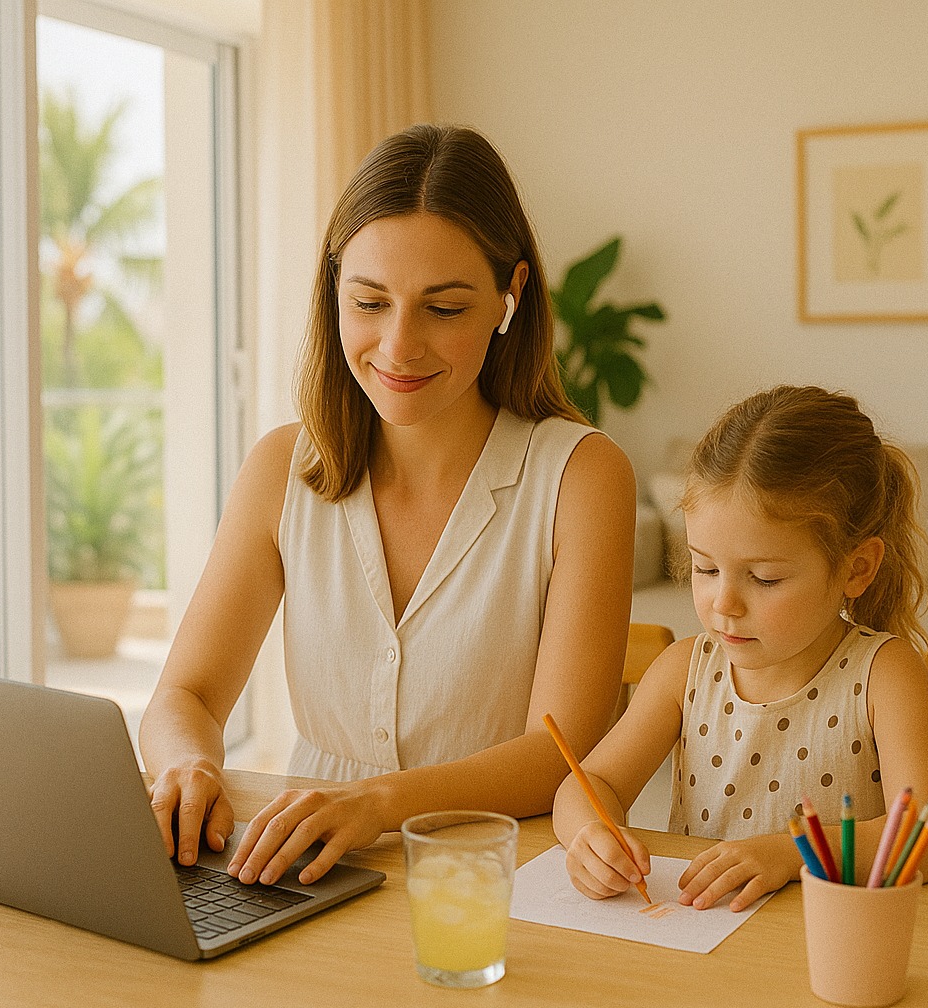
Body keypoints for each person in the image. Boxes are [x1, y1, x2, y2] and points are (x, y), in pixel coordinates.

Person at [139, 123, 637, 887]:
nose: (399, 346)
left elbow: (558, 751)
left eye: (444, 309)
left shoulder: (582, 476)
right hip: (308, 871)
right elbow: (188, 695)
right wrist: (187, 765)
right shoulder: (282, 468)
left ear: (510, 297)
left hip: (498, 879)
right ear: (335, 291)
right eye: (370, 302)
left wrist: (377, 802)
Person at [553, 384, 928, 911]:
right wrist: (589, 835)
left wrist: (792, 853)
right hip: (703, 937)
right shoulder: (684, 671)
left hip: (829, 940)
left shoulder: (884, 674)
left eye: (765, 578)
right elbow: (590, 782)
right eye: (705, 568)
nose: (724, 603)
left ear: (857, 568)